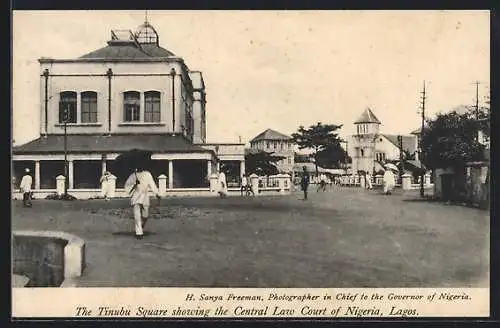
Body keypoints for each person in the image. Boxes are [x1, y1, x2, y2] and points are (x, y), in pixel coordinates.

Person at [125, 166, 161, 240]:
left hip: (145, 196)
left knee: (145, 215)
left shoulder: (147, 174)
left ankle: (140, 226)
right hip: (135, 197)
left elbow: (152, 184)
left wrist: (157, 193)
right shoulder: (133, 175)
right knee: (137, 215)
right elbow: (127, 186)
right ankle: (139, 233)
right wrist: (134, 184)